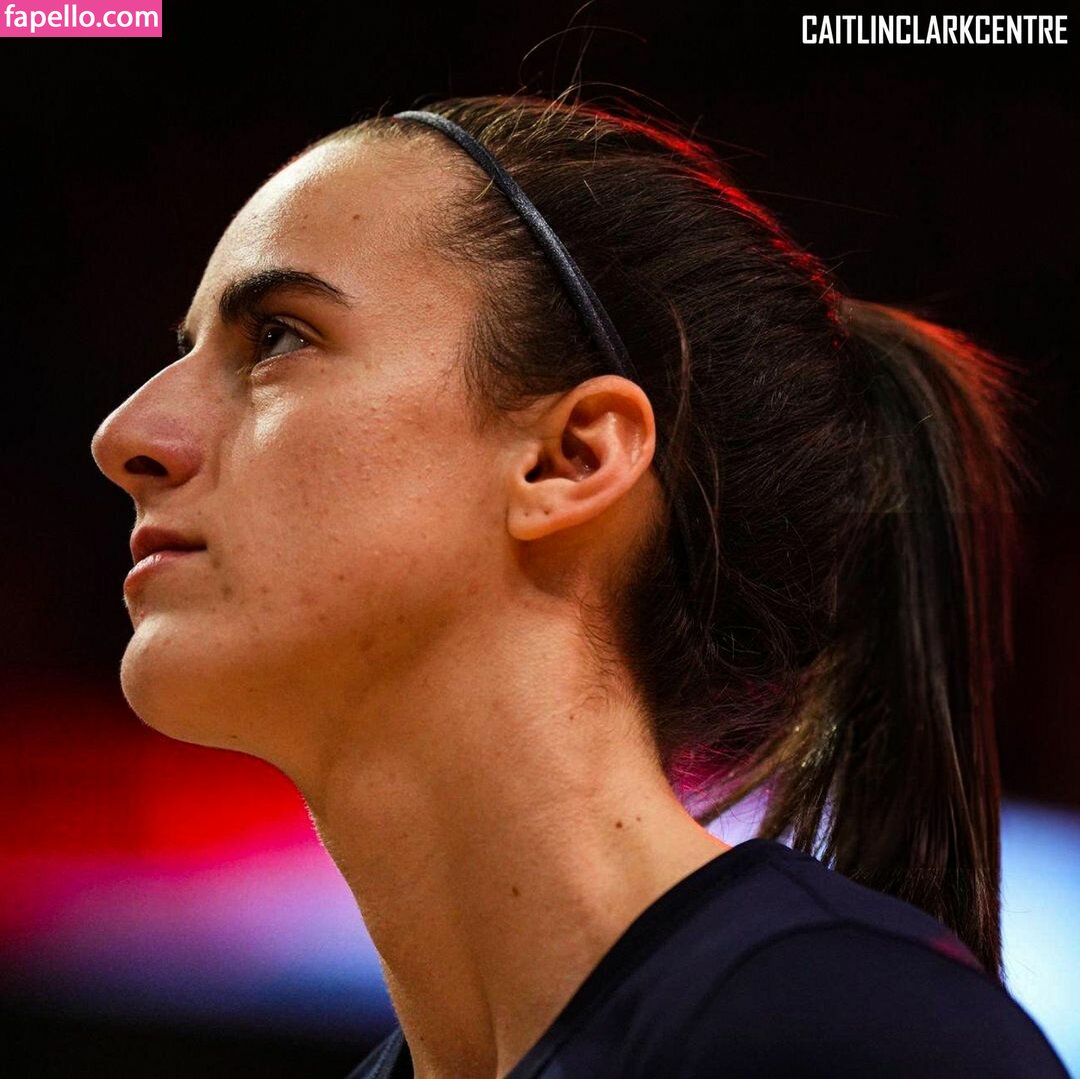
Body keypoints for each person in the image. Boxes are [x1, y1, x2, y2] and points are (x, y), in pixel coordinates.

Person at [90, 91, 1070, 1078]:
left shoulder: (852, 1037)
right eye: (188, 352)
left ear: (569, 459)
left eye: (277, 337)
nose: (125, 436)